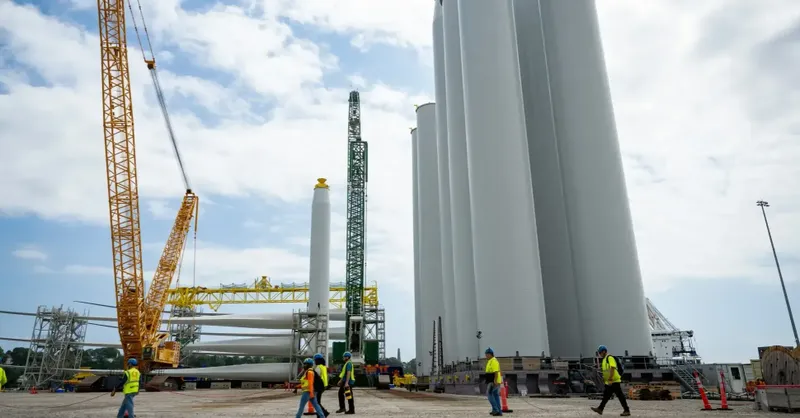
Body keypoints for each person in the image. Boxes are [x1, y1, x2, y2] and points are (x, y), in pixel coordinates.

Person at [591, 345, 631, 416]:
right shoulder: (604, 360)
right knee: (606, 396)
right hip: (609, 381)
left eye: (600, 352)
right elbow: (606, 371)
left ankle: (626, 410)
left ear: (604, 351)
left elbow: (612, 368)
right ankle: (600, 409)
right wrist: (605, 378)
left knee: (619, 395)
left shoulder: (610, 358)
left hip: (613, 381)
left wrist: (610, 379)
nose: (599, 354)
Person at [484, 347, 503, 416]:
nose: (485, 356)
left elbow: (495, 372)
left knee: (489, 395)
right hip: (491, 381)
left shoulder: (493, 361)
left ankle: (496, 409)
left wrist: (494, 380)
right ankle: (498, 411)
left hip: (493, 381)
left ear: (490, 354)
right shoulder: (490, 361)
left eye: (486, 354)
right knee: (495, 395)